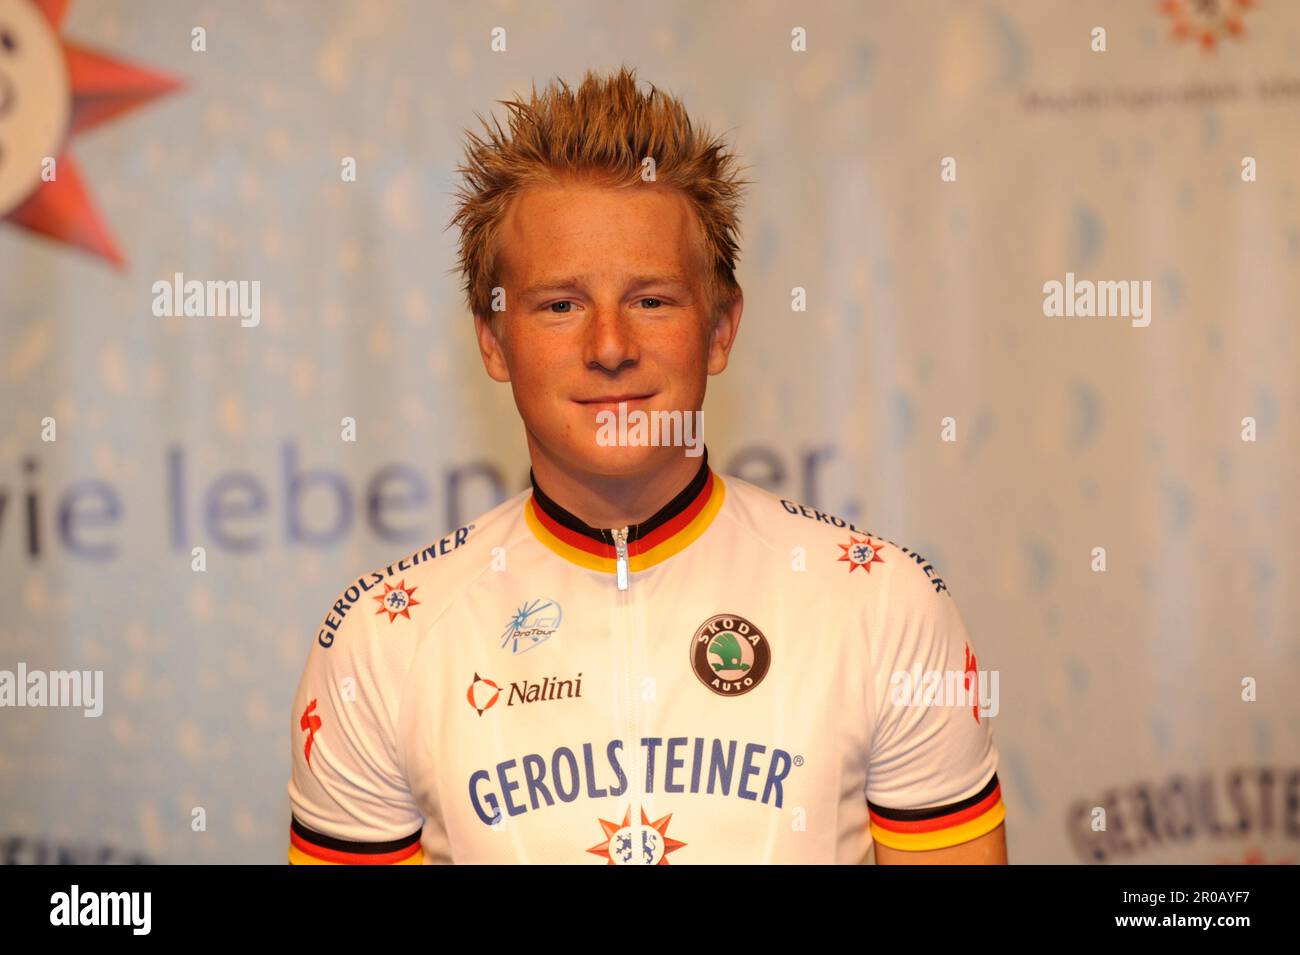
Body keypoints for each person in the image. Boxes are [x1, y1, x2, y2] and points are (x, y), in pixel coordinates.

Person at [287, 65, 1006, 864]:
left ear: (723, 327)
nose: (609, 347)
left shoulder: (885, 605)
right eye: (559, 305)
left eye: (652, 300)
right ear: (493, 341)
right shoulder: (381, 642)